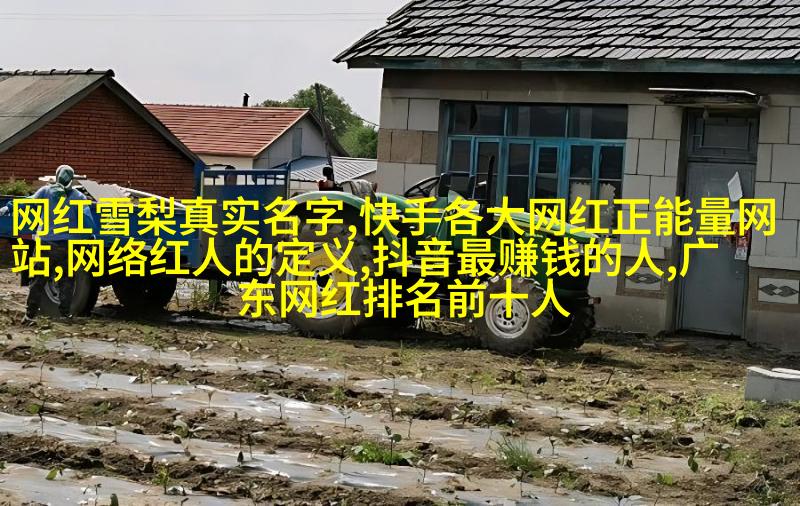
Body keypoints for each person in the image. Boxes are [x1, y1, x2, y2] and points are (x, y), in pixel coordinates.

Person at [0, 165, 95, 324]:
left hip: (45, 245)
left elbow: (26, 203)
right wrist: (89, 236)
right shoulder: (79, 197)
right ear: (71, 179)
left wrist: (7, 207)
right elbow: (87, 220)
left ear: (57, 177)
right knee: (67, 281)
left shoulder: (46, 192)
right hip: (67, 247)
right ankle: (65, 315)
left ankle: (29, 316)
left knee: (38, 281)